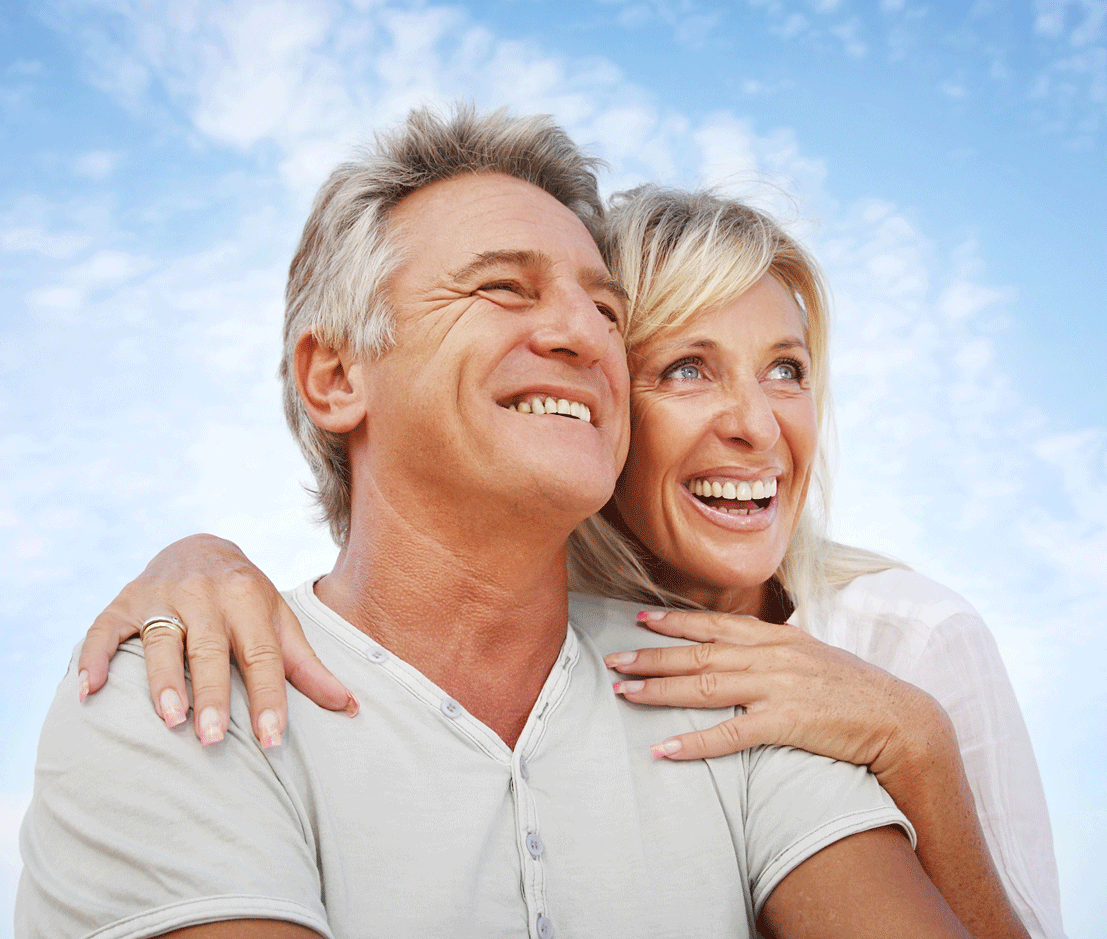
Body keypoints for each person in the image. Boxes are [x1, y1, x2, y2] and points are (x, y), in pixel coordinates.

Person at [14, 105, 969, 939]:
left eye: (605, 309)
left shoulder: (736, 687)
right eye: (504, 287)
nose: (581, 333)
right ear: (335, 375)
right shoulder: (178, 686)